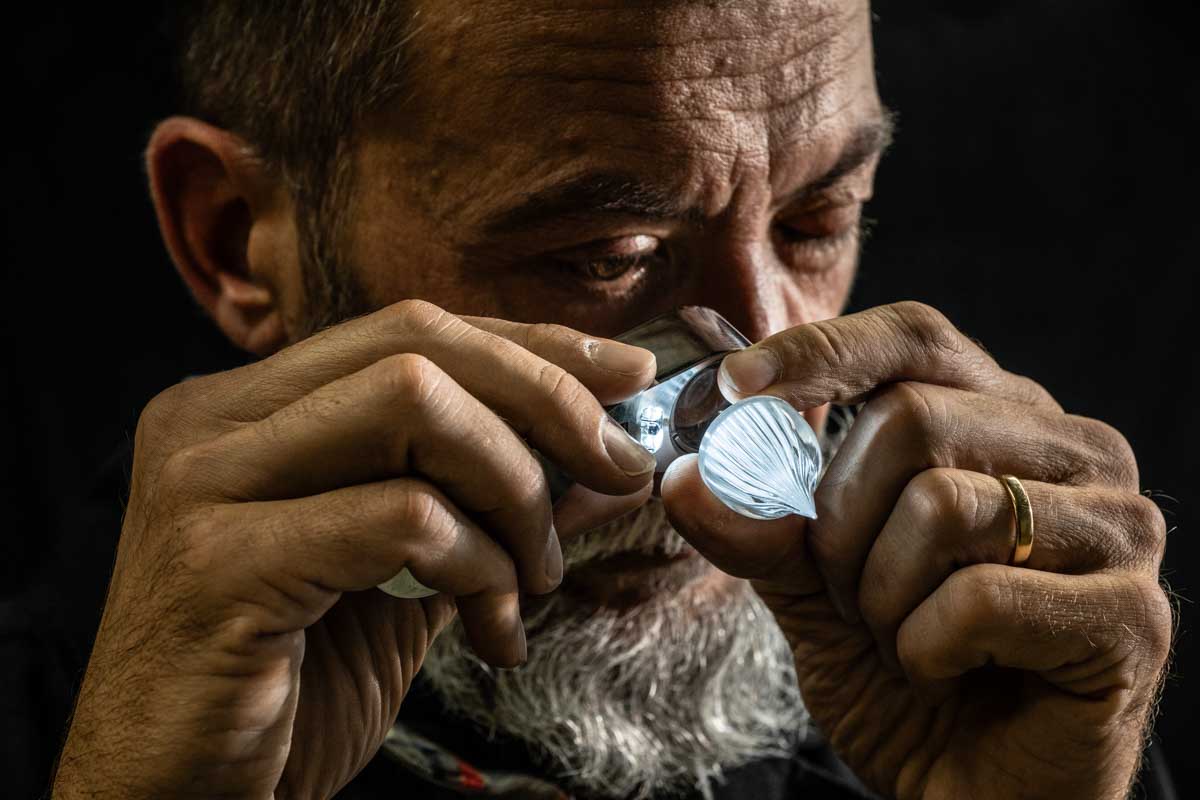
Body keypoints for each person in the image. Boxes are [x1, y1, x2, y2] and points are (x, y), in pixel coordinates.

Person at [12, 1, 1174, 798]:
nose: (757, 392)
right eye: (609, 255)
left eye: (821, 221)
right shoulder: (74, 746)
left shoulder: (969, 701)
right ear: (238, 241)